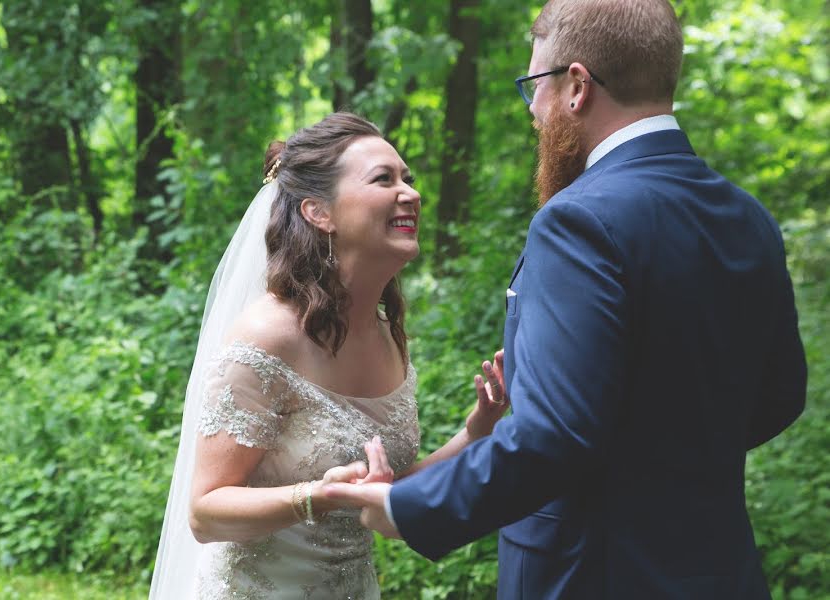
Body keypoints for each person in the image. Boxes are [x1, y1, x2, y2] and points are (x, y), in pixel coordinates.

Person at [324, 1, 808, 598]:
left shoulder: (578, 220)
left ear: (576, 86)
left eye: (536, 87)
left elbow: (554, 435)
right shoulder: (748, 218)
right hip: (721, 570)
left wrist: (406, 506)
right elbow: (781, 397)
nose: (534, 111)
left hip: (589, 574)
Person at [148, 112, 509, 599]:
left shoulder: (386, 335)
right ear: (320, 212)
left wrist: (476, 430)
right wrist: (317, 496)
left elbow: (388, 487)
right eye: (384, 179)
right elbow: (205, 512)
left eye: (409, 178)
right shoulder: (268, 337)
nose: (410, 193)